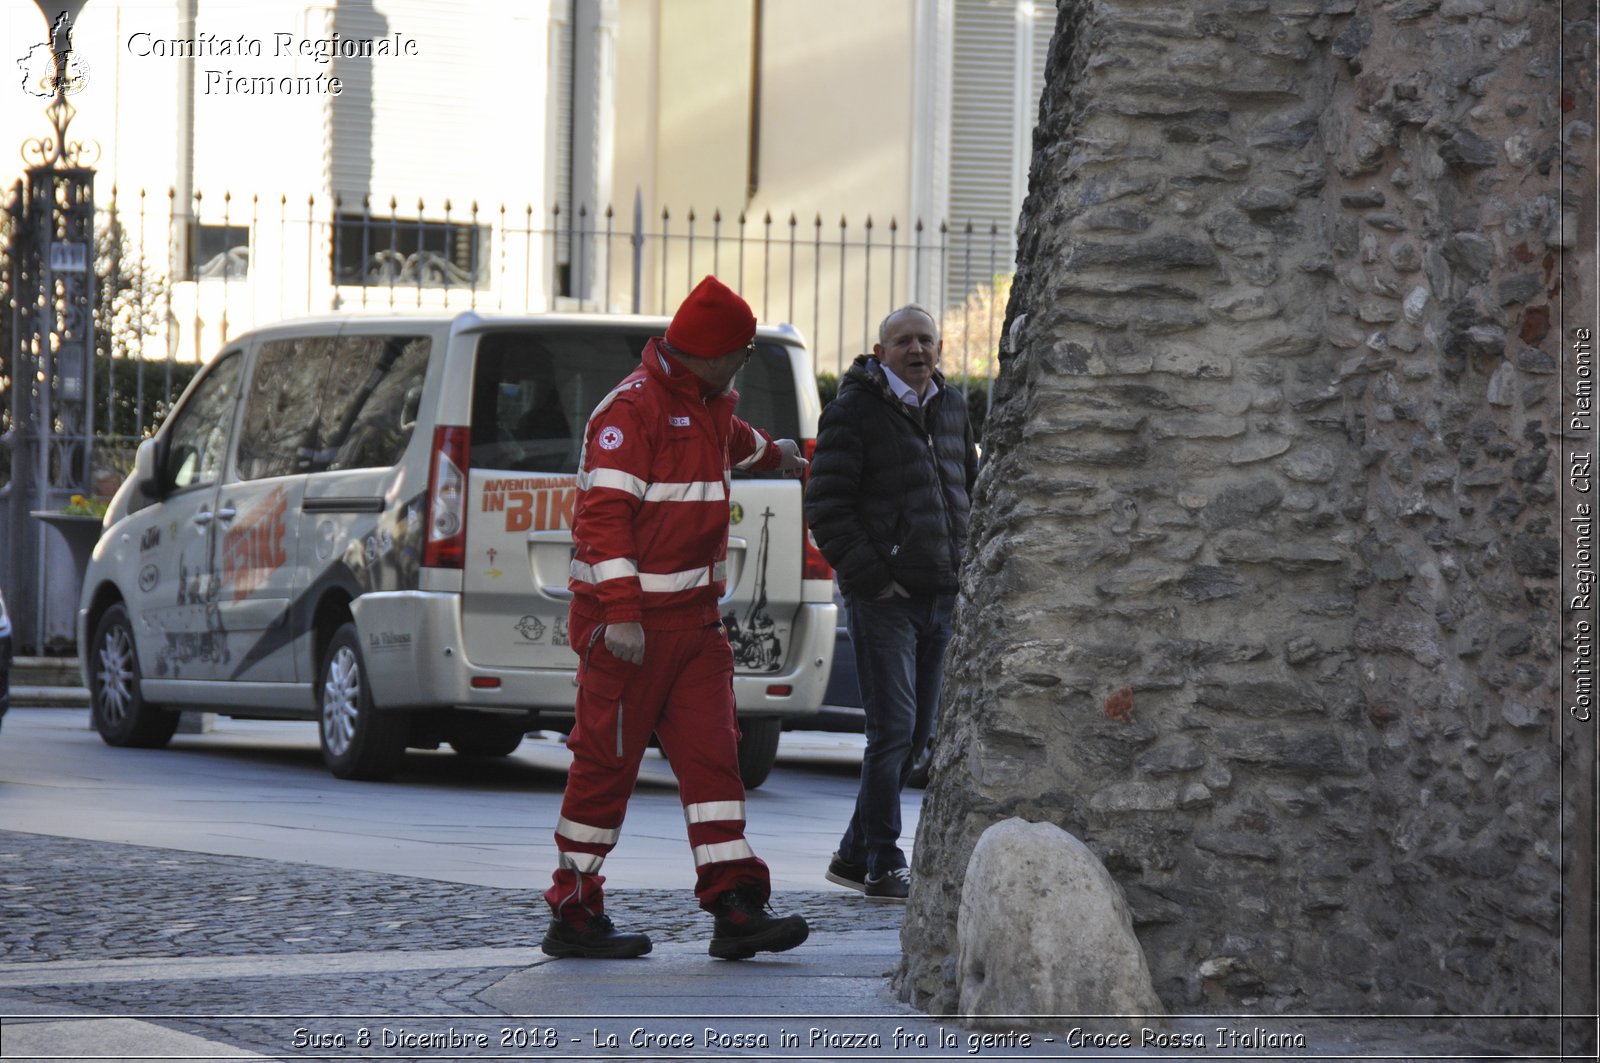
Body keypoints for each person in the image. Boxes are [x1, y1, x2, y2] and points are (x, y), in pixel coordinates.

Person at [541, 275, 812, 960]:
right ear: (717, 353)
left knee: (714, 765)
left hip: (693, 630)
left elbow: (738, 442)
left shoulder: (708, 404)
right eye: (744, 353)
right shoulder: (629, 412)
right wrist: (624, 615)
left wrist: (782, 456)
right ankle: (574, 911)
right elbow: (602, 521)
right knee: (603, 770)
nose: (744, 365)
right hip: (629, 634)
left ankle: (735, 904)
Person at [803, 305, 979, 902]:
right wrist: (876, 579)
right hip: (885, 602)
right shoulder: (853, 410)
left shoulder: (951, 406)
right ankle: (882, 857)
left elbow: (967, 490)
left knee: (920, 736)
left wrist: (966, 568)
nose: (917, 349)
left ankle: (854, 853)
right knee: (893, 732)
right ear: (881, 352)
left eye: (926, 340)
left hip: (941, 595)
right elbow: (826, 508)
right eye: (903, 341)